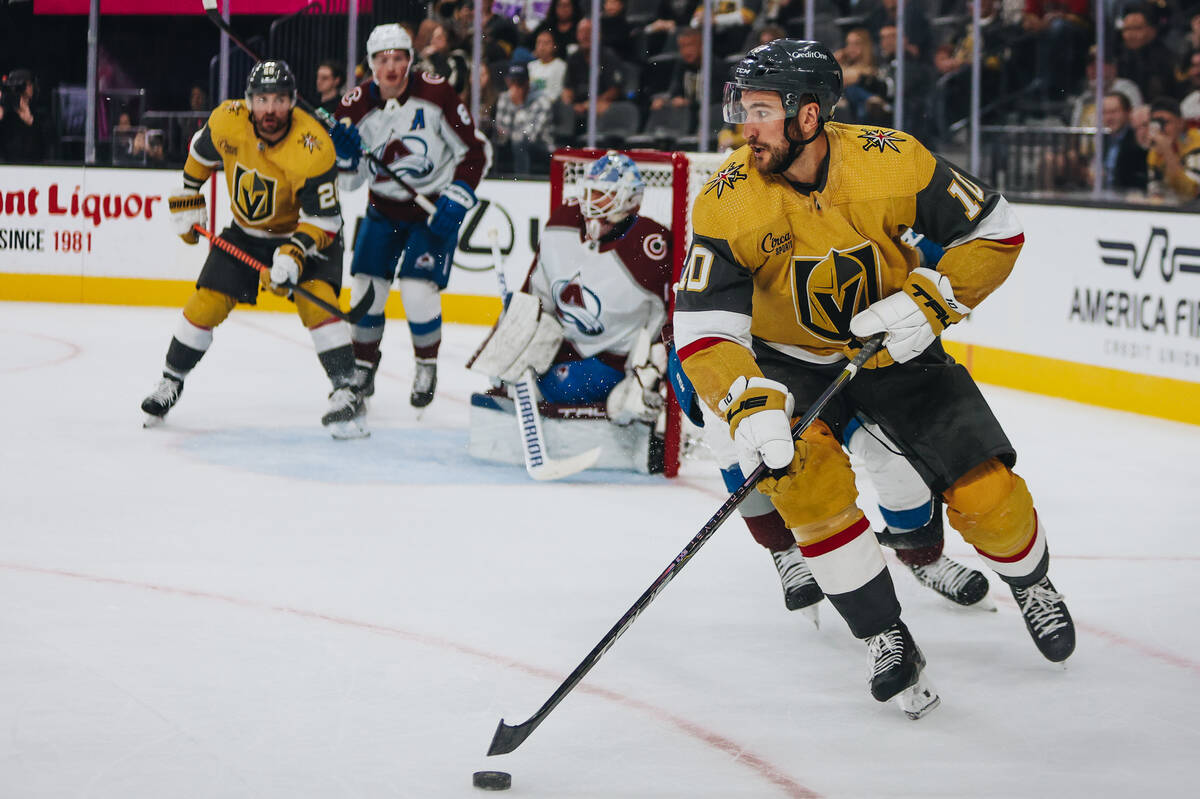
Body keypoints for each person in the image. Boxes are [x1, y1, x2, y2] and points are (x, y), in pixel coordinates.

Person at [674, 39, 1075, 716]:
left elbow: (996, 231)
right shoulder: (726, 200)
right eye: (743, 107)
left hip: (894, 350)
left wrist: (932, 300)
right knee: (808, 489)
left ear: (809, 116)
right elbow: (706, 328)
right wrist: (746, 399)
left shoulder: (891, 159)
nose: (746, 124)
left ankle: (1033, 580)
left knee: (988, 495)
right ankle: (885, 634)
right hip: (787, 365)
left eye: (763, 109)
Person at [140, 60, 361, 438]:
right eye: (261, 99)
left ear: (292, 102)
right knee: (205, 302)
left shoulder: (314, 146)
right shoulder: (228, 121)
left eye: (278, 99)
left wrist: (292, 256)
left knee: (317, 300)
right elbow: (200, 152)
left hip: (303, 233)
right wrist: (188, 194)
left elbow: (326, 221)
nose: (270, 109)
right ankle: (170, 381)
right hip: (245, 233)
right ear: (248, 101)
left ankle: (347, 390)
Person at [466, 152, 673, 472]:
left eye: (603, 194)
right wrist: (514, 331)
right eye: (590, 191)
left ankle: (645, 413)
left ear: (631, 200)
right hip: (564, 343)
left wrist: (652, 372)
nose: (592, 201)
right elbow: (537, 290)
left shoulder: (651, 245)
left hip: (614, 359)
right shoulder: (564, 221)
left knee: (564, 386)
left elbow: (670, 317)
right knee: (505, 369)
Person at [332, 23, 492, 411]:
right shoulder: (352, 109)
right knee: (367, 290)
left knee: (419, 291)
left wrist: (458, 197)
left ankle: (426, 364)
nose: (391, 67)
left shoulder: (435, 93)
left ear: (410, 61)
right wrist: (346, 157)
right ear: (370, 64)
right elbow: (349, 184)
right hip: (382, 208)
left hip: (431, 209)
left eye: (399, 58)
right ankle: (363, 365)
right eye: (383, 59)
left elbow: (474, 152)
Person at [493, 62, 555, 175]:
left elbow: (530, 135)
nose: (515, 87)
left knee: (520, 143)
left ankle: (521, 181)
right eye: (512, 82)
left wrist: (518, 106)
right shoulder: (504, 97)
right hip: (513, 143)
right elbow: (501, 134)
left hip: (541, 147)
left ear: (527, 83)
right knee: (493, 142)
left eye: (519, 83)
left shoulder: (542, 101)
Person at [1145, 95, 1200, 202]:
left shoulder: (1196, 144)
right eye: (1156, 122)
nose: (1161, 128)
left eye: (1166, 122)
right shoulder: (1156, 149)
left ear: (1180, 123)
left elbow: (1190, 192)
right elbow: (1155, 190)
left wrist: (1167, 151)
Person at [0, 69, 45, 163]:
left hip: (33, 167)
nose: (22, 90)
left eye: (27, 85)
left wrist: (31, 122)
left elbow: (48, 149)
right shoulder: (6, 113)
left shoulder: (40, 115)